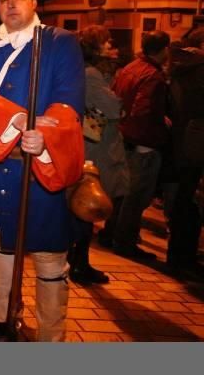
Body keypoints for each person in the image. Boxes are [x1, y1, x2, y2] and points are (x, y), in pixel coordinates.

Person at [0, 0, 85, 342]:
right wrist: (16, 119)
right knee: (2, 241)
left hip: (40, 161)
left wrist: (46, 136)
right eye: (4, 1)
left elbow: (69, 102)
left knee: (48, 252)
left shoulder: (60, 42)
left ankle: (50, 337)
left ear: (34, 4)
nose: (10, 7)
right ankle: (2, 313)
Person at [72, 25, 128, 284]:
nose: (112, 46)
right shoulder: (92, 75)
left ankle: (79, 260)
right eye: (106, 42)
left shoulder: (91, 72)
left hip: (93, 141)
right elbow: (114, 108)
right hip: (95, 147)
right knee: (89, 204)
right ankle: (79, 263)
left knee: (85, 205)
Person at [111, 30, 171, 261]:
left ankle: (112, 233)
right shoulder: (153, 76)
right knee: (136, 197)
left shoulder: (131, 68)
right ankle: (125, 241)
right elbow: (142, 111)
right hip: (142, 144)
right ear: (163, 49)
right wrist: (155, 132)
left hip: (125, 138)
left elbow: (119, 98)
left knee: (123, 193)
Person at [167, 27, 204, 272]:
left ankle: (179, 256)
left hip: (181, 141)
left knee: (184, 201)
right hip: (195, 143)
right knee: (190, 203)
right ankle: (183, 258)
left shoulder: (182, 67)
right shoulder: (200, 70)